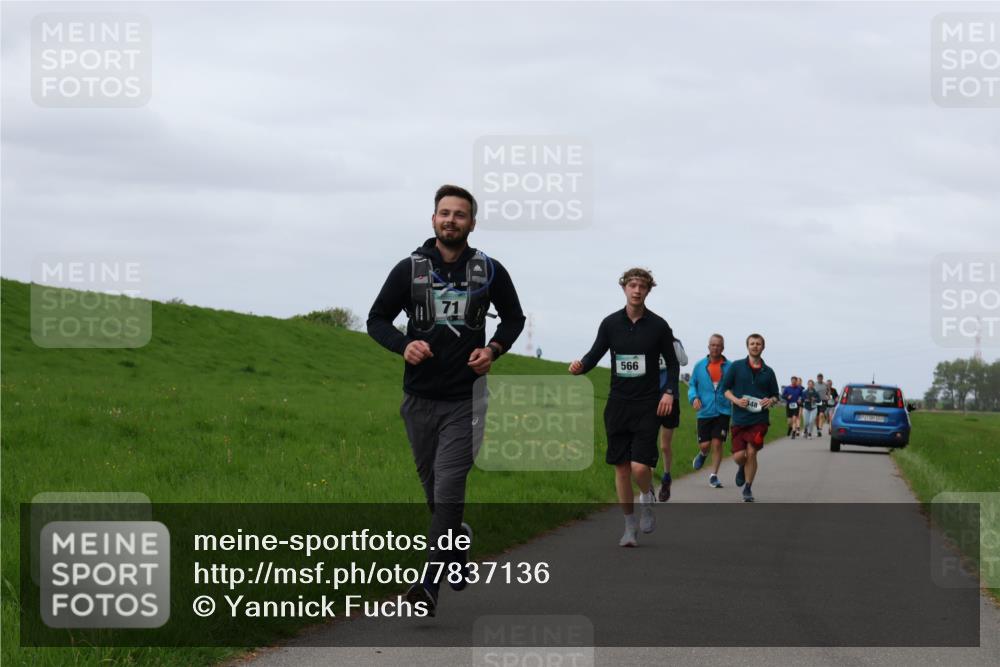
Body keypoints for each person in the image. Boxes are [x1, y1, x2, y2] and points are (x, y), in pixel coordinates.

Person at [367, 184, 525, 615]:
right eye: (444, 213)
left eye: (459, 214)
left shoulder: (489, 270)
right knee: (435, 494)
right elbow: (376, 319)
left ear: (472, 222)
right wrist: (403, 346)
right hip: (419, 399)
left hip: (465, 400)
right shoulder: (409, 269)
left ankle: (427, 585)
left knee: (450, 487)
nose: (451, 220)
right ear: (433, 219)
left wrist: (493, 349)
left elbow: (514, 318)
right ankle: (459, 540)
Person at [570, 268, 680, 546]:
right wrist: (580, 366)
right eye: (632, 285)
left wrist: (669, 392)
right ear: (624, 288)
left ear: (648, 291)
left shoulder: (658, 326)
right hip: (618, 404)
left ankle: (647, 497)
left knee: (640, 468)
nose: (637, 290)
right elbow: (595, 353)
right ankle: (629, 527)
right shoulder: (610, 324)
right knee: (621, 469)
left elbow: (673, 361)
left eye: (642, 286)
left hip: (647, 404)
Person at [721, 333, 780, 502]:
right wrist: (736, 401)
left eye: (758, 344)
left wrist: (772, 400)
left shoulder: (768, 372)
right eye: (752, 343)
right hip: (740, 419)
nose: (755, 346)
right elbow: (725, 389)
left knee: (752, 452)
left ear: (763, 347)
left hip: (759, 420)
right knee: (739, 456)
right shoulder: (737, 367)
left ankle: (748, 488)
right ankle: (742, 466)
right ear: (747, 346)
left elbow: (776, 395)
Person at [687, 334, 732, 489]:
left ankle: (714, 476)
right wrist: (694, 398)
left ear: (723, 348)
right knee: (705, 445)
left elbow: (736, 386)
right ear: (708, 347)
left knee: (718, 443)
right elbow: (692, 385)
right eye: (713, 345)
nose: (715, 348)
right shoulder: (699, 366)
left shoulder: (730, 367)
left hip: (723, 410)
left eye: (718, 345)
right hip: (704, 411)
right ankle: (703, 454)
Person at [657, 337, 688, 501]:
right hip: (649, 398)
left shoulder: (674, 343)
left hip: (671, 398)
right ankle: (646, 484)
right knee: (645, 443)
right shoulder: (646, 341)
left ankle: (666, 477)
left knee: (664, 445)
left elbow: (684, 361)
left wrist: (673, 343)